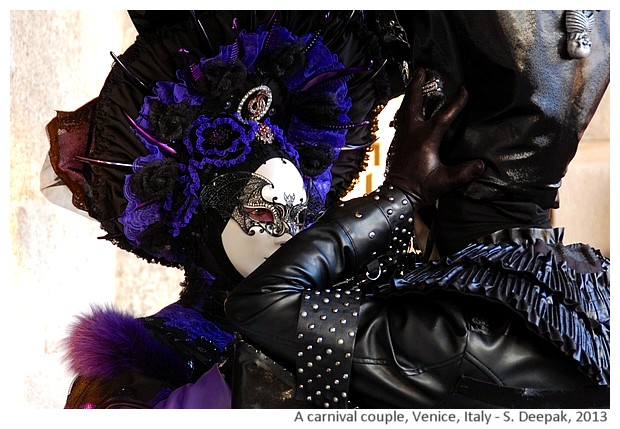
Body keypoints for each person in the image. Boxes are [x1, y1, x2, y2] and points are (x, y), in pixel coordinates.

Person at [224, 10, 610, 409]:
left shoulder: (452, 335)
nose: (393, 136)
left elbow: (259, 304)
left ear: (432, 144)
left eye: (402, 126)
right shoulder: (599, 289)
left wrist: (402, 192)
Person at [44, 11, 405, 408]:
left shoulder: (332, 320)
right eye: (264, 214)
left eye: (300, 217)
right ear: (203, 216)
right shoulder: (132, 371)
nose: (289, 236)